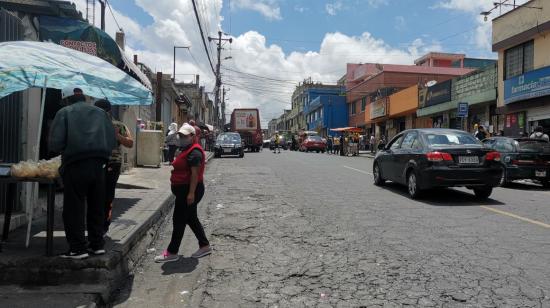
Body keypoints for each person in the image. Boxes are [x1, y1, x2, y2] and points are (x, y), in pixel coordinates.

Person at [49, 87, 116, 259]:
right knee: (96, 206)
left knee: (74, 207)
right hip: (100, 166)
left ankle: (78, 249)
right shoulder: (101, 113)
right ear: (83, 97)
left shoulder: (64, 112)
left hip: (76, 165)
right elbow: (112, 141)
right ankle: (97, 245)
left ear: (66, 99)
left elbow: (55, 144)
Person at [155, 123, 211, 263]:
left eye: (185, 135)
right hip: (184, 191)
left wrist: (191, 194)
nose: (181, 137)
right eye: (180, 135)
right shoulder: (186, 149)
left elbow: (194, 174)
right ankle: (204, 246)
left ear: (192, 136)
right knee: (191, 218)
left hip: (190, 190)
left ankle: (172, 252)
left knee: (178, 219)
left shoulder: (195, 152)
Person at [94, 100, 134, 235]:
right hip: (95, 163)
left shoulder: (118, 125)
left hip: (112, 164)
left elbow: (130, 143)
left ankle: (104, 225)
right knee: (95, 196)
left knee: (107, 196)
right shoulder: (91, 124)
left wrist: (117, 135)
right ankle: (95, 224)